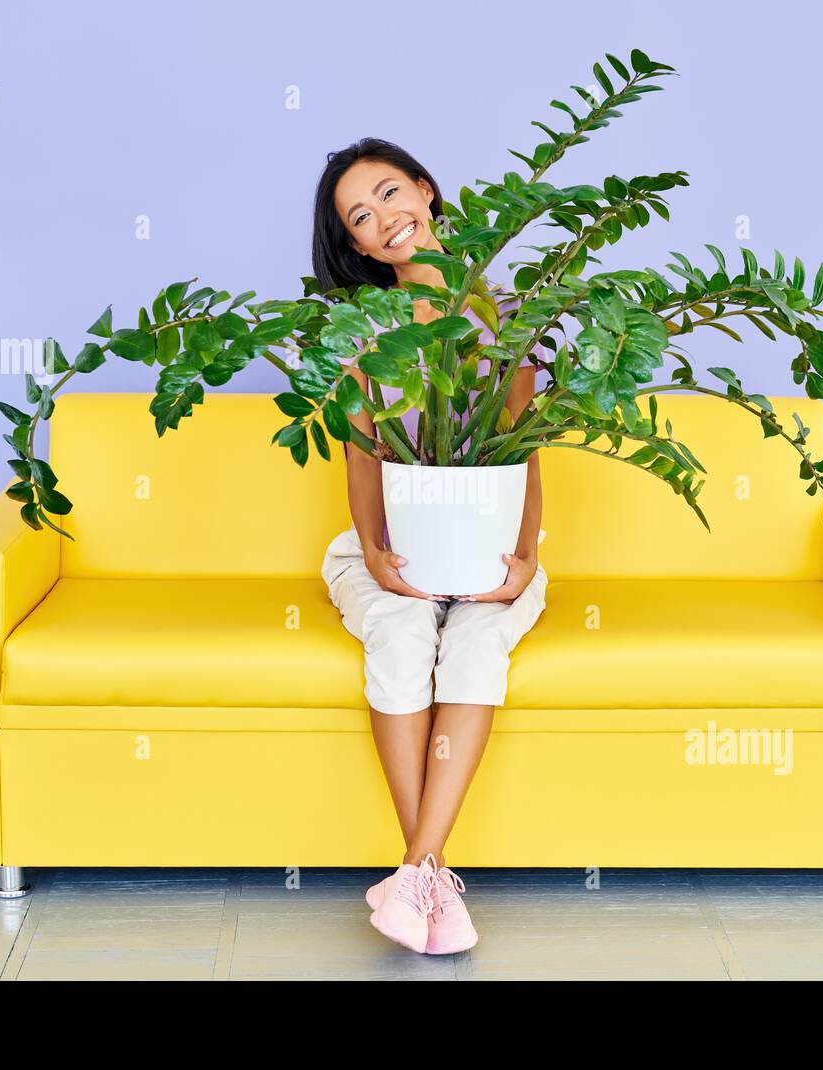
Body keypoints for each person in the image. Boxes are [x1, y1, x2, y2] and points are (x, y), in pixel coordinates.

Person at [312, 138, 549, 954]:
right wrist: (377, 553)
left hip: (491, 544)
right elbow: (362, 450)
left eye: (389, 194)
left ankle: (416, 873)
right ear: (358, 248)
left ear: (426, 189)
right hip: (387, 547)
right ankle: (431, 876)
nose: (385, 219)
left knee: (479, 640)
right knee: (404, 630)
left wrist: (521, 562)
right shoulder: (360, 327)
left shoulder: (506, 316)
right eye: (361, 219)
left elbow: (522, 446)